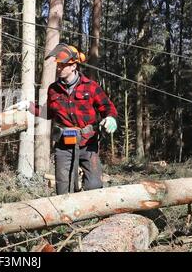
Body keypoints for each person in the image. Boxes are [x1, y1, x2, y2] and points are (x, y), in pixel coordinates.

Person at [7, 43, 118, 195]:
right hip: (64, 144)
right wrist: (29, 106)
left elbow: (107, 107)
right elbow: (48, 112)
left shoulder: (90, 87)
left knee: (93, 186)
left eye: (62, 65)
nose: (58, 68)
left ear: (73, 66)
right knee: (64, 189)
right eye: (58, 65)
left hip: (88, 143)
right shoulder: (54, 89)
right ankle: (68, 217)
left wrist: (110, 118)